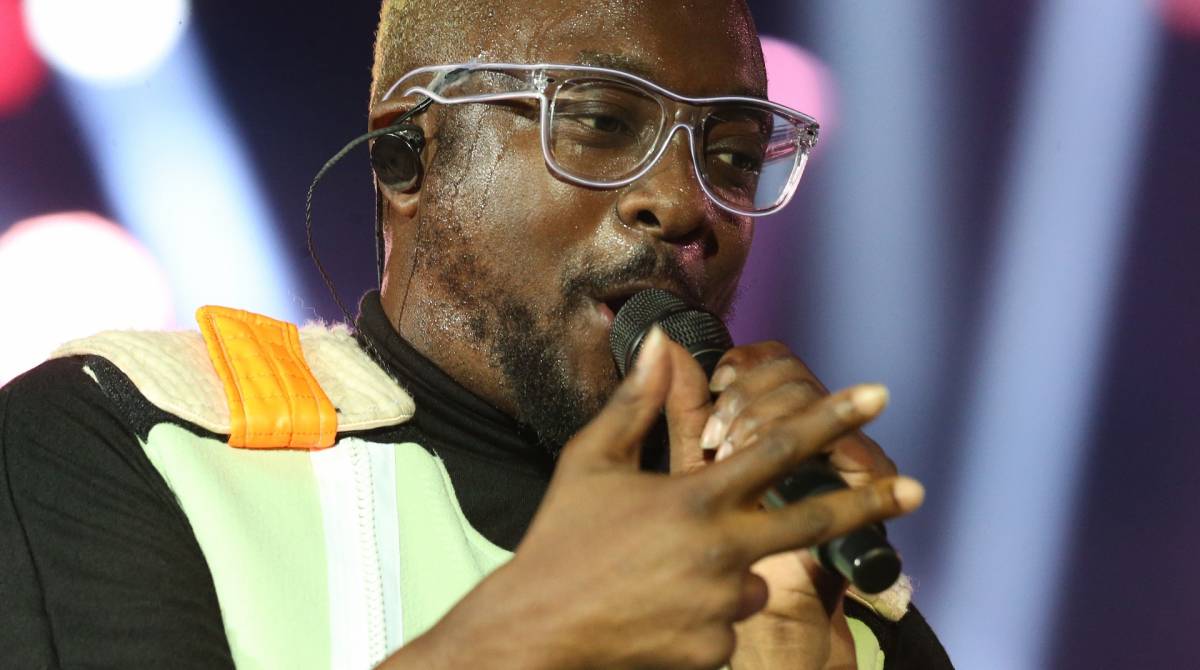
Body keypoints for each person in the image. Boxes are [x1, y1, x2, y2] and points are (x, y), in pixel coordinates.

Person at [0, 0, 953, 668]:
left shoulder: (822, 578)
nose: (683, 201)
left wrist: (789, 654)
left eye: (735, 155)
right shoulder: (131, 439)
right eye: (597, 122)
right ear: (404, 154)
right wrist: (516, 642)